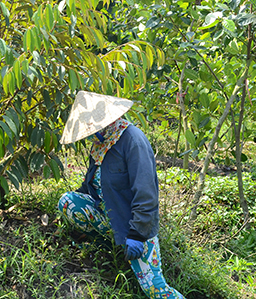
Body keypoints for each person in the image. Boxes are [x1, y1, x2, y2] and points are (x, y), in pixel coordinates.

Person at [58, 91, 184, 299]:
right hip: (110, 216)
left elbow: (146, 193)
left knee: (154, 288)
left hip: (134, 224)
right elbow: (91, 185)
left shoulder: (132, 141)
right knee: (68, 202)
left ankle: (129, 248)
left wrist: (136, 234)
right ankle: (112, 247)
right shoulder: (101, 144)